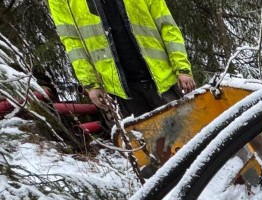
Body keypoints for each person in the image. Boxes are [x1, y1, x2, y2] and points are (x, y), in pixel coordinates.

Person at [48, 0, 196, 117]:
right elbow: (72, 42)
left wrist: (182, 68)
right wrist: (91, 85)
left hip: (163, 82)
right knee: (149, 150)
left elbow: (167, 25)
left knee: (189, 140)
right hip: (123, 93)